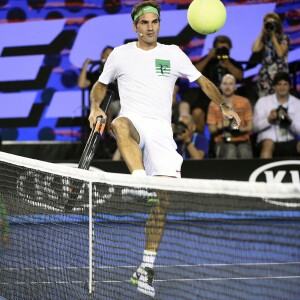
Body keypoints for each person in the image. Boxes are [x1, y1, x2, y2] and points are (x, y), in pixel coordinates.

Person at [88, 1, 240, 297]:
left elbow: (203, 81)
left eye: (153, 22)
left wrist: (223, 104)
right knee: (119, 124)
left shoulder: (172, 54)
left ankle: (145, 269)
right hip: (134, 122)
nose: (149, 27)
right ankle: (139, 181)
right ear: (135, 26)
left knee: (161, 206)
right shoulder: (120, 55)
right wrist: (95, 106)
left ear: (159, 24)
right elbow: (100, 85)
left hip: (161, 133)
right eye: (143, 23)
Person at [78, 46, 120, 157]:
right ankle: (108, 135)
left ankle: (114, 134)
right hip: (101, 107)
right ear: (102, 56)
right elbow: (82, 84)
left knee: (113, 107)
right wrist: (86, 65)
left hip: (119, 105)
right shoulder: (95, 73)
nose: (108, 58)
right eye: (107, 55)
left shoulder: (117, 73)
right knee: (105, 109)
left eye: (111, 55)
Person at [253, 72, 300, 158]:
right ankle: (263, 170)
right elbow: (254, 128)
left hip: (289, 141)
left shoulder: (297, 103)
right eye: (279, 84)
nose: (282, 87)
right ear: (274, 86)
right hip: (267, 141)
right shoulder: (263, 102)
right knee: (268, 144)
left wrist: (289, 121)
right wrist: (269, 119)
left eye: (285, 84)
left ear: (289, 86)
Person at [207, 74, 253, 159]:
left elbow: (250, 126)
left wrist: (239, 129)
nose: (227, 86)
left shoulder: (244, 102)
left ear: (235, 87)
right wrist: (221, 126)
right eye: (225, 84)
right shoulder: (213, 104)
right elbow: (211, 130)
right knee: (230, 150)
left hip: (242, 139)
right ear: (220, 86)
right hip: (222, 140)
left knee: (244, 151)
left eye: (231, 84)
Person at [252, 12, 290, 98]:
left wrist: (273, 36)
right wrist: (262, 32)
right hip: (265, 76)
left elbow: (280, 53)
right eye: (268, 23)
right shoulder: (264, 38)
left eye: (272, 23)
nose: (270, 25)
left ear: (277, 24)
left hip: (280, 77)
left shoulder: (284, 38)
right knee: (264, 103)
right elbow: (254, 49)